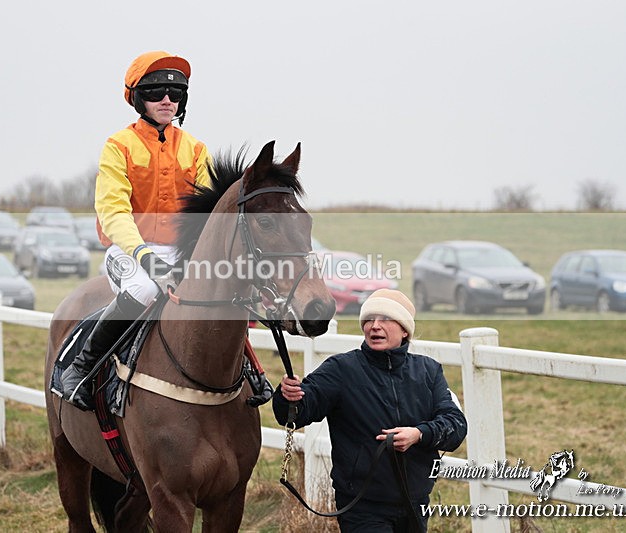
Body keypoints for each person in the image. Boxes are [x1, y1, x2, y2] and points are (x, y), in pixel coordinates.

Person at [60, 50, 273, 411]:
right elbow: (112, 212)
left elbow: (209, 212)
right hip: (128, 250)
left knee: (221, 288)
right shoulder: (119, 146)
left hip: (179, 250)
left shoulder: (195, 149)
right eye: (157, 93)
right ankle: (80, 367)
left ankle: (252, 370)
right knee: (144, 288)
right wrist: (143, 255)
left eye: (175, 95)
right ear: (138, 98)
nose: (166, 101)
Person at [273, 289, 467, 532]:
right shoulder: (340, 369)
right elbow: (299, 410)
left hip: (415, 504)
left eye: (385, 319)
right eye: (369, 320)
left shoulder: (429, 371)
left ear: (405, 329)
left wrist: (419, 434)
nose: (375, 326)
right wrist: (288, 397)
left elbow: (456, 426)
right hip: (361, 508)